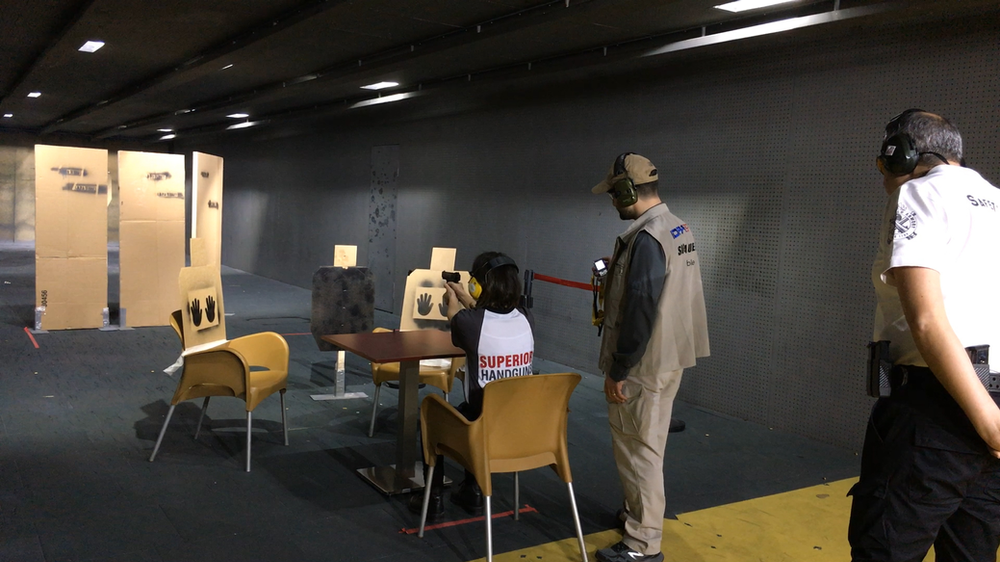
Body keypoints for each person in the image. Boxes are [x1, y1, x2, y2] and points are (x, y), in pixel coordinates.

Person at [848, 109, 1000, 561]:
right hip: (993, 400)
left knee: (885, 548)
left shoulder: (919, 193)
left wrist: (987, 423)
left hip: (937, 408)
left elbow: (928, 321)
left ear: (902, 154)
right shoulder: (995, 199)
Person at [591, 153, 710, 562]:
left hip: (643, 363)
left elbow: (641, 306)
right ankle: (637, 516)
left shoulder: (646, 238)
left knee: (638, 450)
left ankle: (642, 543)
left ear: (628, 191)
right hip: (669, 355)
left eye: (614, 194)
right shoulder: (675, 227)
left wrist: (619, 368)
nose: (612, 202)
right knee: (648, 443)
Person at [407, 251, 535, 519]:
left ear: (478, 285)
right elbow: (487, 315)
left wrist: (453, 298)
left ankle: (433, 498)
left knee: (434, 415)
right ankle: (472, 490)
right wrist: (464, 294)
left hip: (481, 427)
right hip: (523, 426)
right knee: (473, 407)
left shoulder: (469, 324)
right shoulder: (526, 317)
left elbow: (457, 317)